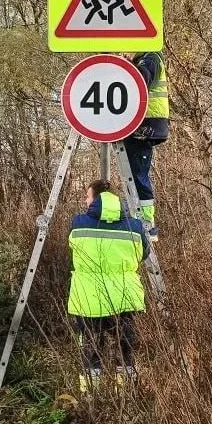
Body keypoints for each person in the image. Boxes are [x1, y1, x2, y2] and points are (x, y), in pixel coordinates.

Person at [68, 180, 150, 392]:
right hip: (125, 299)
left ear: (95, 199)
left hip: (89, 300)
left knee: (91, 349)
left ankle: (90, 396)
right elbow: (144, 255)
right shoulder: (136, 227)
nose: (85, 201)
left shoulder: (78, 223)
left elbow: (72, 252)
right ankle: (125, 394)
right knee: (126, 348)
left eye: (87, 196)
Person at [124, 51, 169, 241]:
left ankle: (147, 226)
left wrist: (128, 68)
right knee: (133, 174)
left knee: (138, 175)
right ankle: (138, 219)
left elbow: (141, 81)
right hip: (143, 123)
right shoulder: (144, 59)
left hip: (147, 124)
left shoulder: (151, 57)